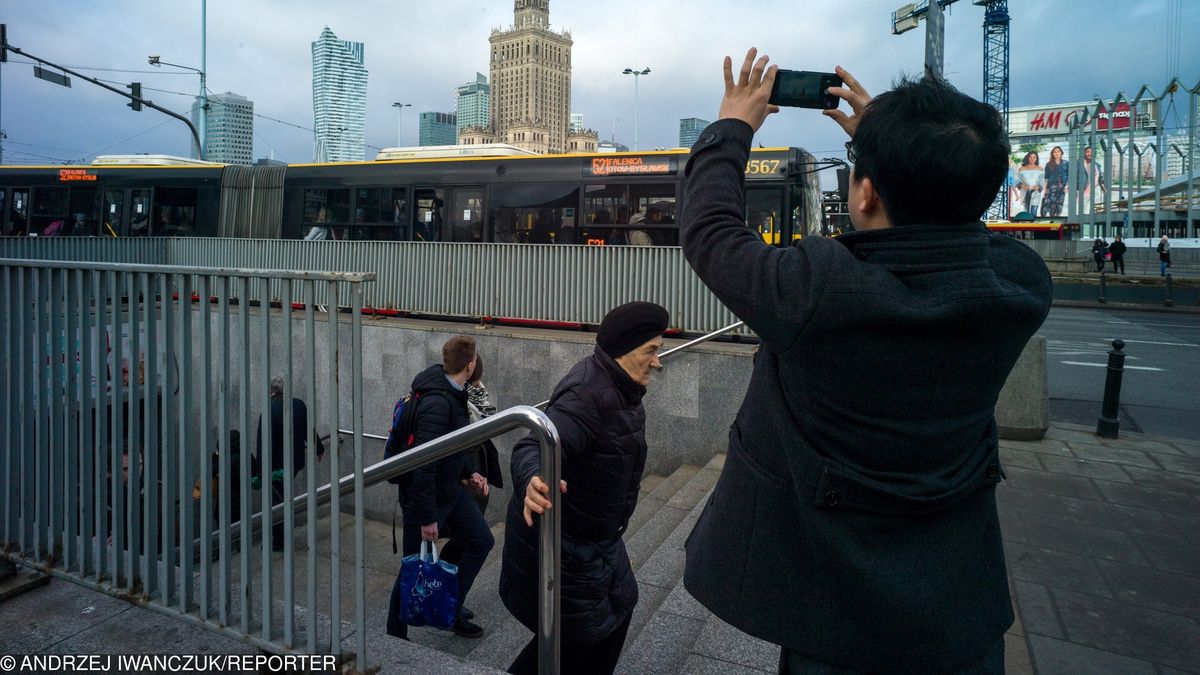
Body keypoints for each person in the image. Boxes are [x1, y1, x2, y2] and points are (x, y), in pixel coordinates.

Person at [678, 51, 1052, 674]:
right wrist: (910, 154)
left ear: (867, 192)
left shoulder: (820, 292)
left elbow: (709, 231)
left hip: (837, 615)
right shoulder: (1020, 286)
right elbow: (962, 229)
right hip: (960, 606)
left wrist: (732, 127)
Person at [500, 301, 669, 675]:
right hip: (566, 547)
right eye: (651, 351)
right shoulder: (588, 395)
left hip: (596, 539)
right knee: (577, 641)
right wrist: (532, 479)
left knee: (614, 615)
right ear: (624, 350)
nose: (658, 362)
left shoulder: (620, 387)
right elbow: (533, 445)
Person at [386, 335, 494, 640]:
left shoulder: (454, 391)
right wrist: (427, 518)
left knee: (481, 540)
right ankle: (395, 634)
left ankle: (450, 608)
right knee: (412, 566)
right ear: (470, 365)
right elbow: (424, 464)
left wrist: (471, 472)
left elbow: (453, 445)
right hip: (423, 500)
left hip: (450, 491)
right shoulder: (436, 401)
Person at [255, 376, 325, 551]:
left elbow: (264, 443)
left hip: (276, 467)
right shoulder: (298, 404)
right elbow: (308, 429)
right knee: (282, 497)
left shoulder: (269, 410)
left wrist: (260, 471)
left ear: (270, 391)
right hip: (294, 462)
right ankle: (282, 535)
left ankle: (279, 540)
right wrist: (319, 448)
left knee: (277, 502)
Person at [1015, 151, 1044, 217]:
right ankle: (1027, 223)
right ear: (1028, 158)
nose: (1032, 159)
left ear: (1036, 158)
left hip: (1036, 192)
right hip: (1025, 192)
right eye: (1030, 157)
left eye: (1034, 157)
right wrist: (1022, 186)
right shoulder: (1022, 169)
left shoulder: (1040, 169)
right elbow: (1017, 181)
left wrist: (1038, 187)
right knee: (1026, 212)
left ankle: (1033, 223)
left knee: (1034, 211)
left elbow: (1042, 181)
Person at [1042, 146, 1069, 218]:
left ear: (1061, 153)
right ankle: (1052, 218)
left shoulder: (1066, 163)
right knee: (1051, 205)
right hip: (1051, 188)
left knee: (1059, 205)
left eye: (1058, 151)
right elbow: (1046, 178)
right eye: (1055, 152)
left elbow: (1069, 175)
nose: (1057, 153)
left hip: (1062, 188)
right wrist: (1045, 190)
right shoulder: (1048, 164)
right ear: (1052, 154)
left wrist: (1068, 186)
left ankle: (1057, 218)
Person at [1079, 146, 1106, 215]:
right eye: (1087, 152)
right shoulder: (1079, 164)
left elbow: (1100, 177)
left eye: (1092, 152)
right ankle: (1084, 220)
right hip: (1085, 188)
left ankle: (1095, 219)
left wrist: (1103, 187)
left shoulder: (1097, 165)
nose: (1090, 153)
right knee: (1084, 207)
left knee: (1097, 206)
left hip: (1096, 188)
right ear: (1084, 153)